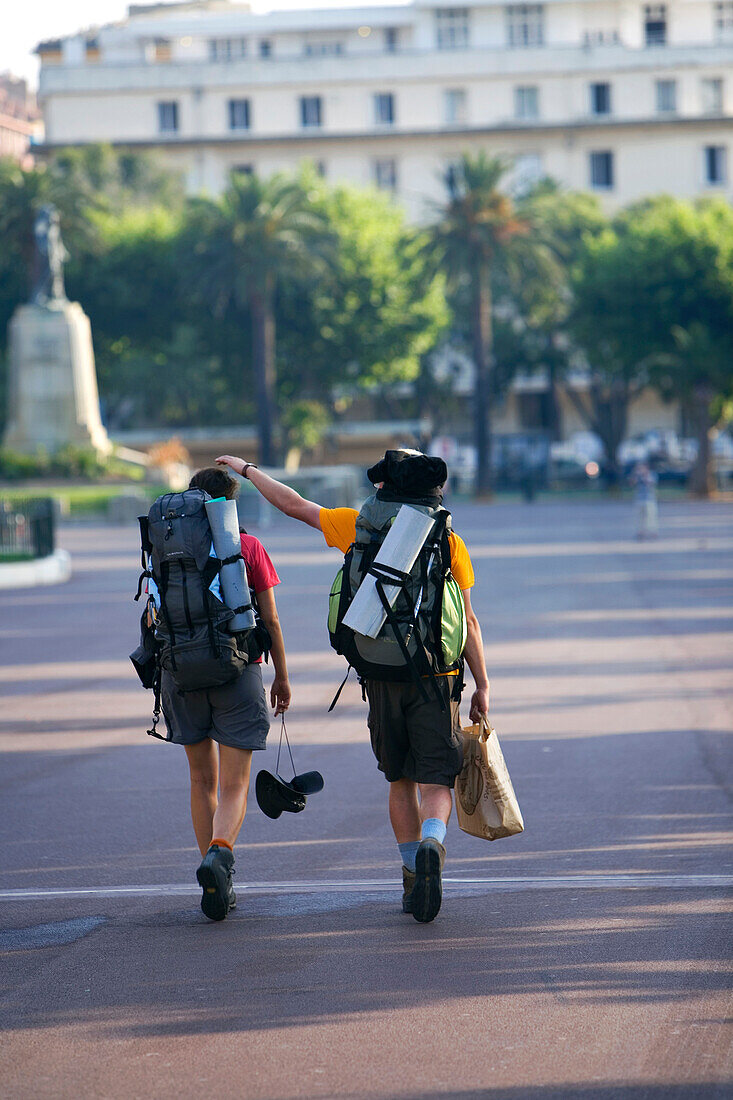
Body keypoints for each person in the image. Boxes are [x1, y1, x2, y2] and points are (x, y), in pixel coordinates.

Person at [215, 450, 490, 923]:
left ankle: (410, 874)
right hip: (436, 679)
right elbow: (467, 620)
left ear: (386, 488)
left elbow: (294, 505)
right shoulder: (450, 540)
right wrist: (482, 685)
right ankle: (432, 842)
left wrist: (247, 470)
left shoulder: (356, 525)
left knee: (399, 779)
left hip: (380, 677)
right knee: (436, 778)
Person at [149, 466, 291, 921]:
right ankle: (220, 852)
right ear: (230, 503)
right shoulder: (246, 547)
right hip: (239, 670)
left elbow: (154, 617)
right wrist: (282, 677)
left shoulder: (163, 545)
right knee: (234, 785)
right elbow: (270, 621)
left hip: (179, 672)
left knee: (200, 781)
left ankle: (213, 875)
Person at [631, 462, 659, 539]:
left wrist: (645, 475)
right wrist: (636, 475)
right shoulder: (637, 475)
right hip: (639, 499)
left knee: (651, 517)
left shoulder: (651, 474)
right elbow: (632, 483)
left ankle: (653, 531)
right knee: (640, 517)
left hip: (649, 499)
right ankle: (640, 532)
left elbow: (651, 483)